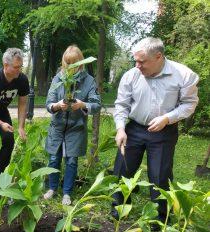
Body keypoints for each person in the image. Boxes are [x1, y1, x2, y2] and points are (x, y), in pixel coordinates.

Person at [112, 37, 199, 220]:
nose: (137, 65)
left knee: (159, 176)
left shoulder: (184, 75)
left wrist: (167, 118)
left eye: (142, 61)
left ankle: (159, 217)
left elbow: (189, 104)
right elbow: (121, 105)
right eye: (135, 60)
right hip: (133, 130)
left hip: (164, 132)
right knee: (122, 169)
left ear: (158, 56)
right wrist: (120, 129)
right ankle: (119, 207)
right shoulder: (131, 75)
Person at [44, 45, 101, 205]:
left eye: (74, 64)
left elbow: (96, 104)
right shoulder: (58, 79)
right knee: (54, 158)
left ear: (80, 63)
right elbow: (49, 103)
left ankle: (67, 192)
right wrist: (57, 105)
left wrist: (83, 104)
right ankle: (52, 188)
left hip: (76, 128)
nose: (70, 67)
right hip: (57, 126)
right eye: (67, 63)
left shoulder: (88, 80)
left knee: (71, 161)